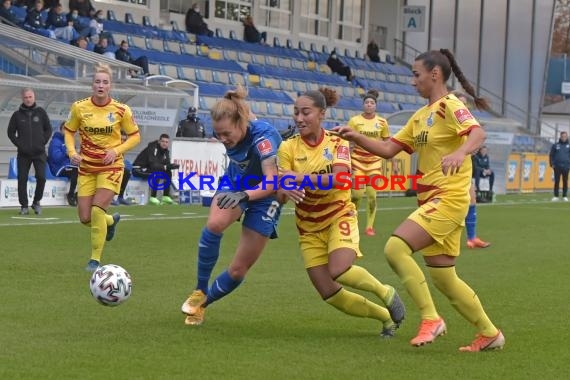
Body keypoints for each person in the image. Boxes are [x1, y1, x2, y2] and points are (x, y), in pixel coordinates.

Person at [333, 49, 505, 352]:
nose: (413, 81)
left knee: (395, 248)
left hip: (448, 198)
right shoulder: (420, 116)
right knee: (444, 278)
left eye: (416, 74)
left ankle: (430, 318)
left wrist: (461, 152)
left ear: (434, 74)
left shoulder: (450, 105)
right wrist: (356, 137)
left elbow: (477, 134)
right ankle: (490, 333)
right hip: (431, 201)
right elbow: (388, 148)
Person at [276, 88, 405, 337]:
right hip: (308, 227)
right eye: (296, 113)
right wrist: (282, 188)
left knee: (339, 269)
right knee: (328, 292)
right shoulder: (287, 148)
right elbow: (282, 195)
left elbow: (342, 180)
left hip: (338, 215)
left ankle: (385, 291)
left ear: (322, 114)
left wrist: (299, 178)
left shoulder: (337, 141)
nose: (299, 118)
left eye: (306, 112)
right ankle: (386, 318)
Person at [180, 86, 283, 326]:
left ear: (241, 123)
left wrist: (245, 196)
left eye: (226, 134)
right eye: (218, 135)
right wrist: (240, 193)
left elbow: (272, 182)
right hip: (237, 181)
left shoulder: (264, 140)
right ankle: (200, 290)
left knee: (238, 270)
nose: (223, 140)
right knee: (215, 223)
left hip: (266, 194)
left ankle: (203, 306)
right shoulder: (237, 122)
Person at [64, 63, 141, 272]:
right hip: (87, 167)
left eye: (105, 82)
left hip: (112, 166)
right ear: (92, 85)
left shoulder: (121, 110)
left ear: (110, 86)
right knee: (85, 218)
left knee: (97, 209)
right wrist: (72, 153)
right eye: (97, 81)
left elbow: (135, 136)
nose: (101, 85)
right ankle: (110, 222)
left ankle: (94, 260)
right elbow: (69, 131)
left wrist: (116, 151)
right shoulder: (79, 107)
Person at [347, 89, 393, 237]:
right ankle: (352, 222)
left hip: (374, 162)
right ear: (363, 105)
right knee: (357, 195)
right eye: (366, 102)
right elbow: (348, 139)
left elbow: (387, 141)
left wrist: (390, 155)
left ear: (375, 106)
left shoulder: (382, 122)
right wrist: (347, 152)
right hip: (357, 161)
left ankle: (369, 227)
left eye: (372, 103)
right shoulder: (354, 121)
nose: (369, 105)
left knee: (372, 196)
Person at [453, 92, 490, 249]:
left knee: (472, 199)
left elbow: (476, 142)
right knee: (451, 204)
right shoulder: (449, 121)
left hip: (465, 167)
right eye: (459, 102)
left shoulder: (468, 122)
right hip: (450, 167)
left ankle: (471, 238)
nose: (463, 106)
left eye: (465, 103)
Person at [7, 88, 52, 215]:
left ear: (34, 97)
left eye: (30, 97)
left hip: (39, 153)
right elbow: (10, 132)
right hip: (23, 154)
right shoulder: (16, 115)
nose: (28, 99)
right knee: (22, 179)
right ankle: (24, 206)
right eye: (26, 97)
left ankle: (36, 202)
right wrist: (19, 144)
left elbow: (48, 129)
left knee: (42, 178)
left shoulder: (41, 112)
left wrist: (42, 141)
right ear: (22, 98)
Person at [132, 134, 178, 205]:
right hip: (139, 169)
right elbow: (153, 164)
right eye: (163, 141)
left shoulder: (166, 151)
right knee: (157, 172)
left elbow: (166, 165)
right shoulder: (153, 148)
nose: (164, 144)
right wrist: (166, 166)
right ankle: (152, 197)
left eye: (166, 142)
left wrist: (171, 166)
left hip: (148, 168)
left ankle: (165, 196)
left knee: (168, 172)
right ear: (159, 141)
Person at [48, 122, 78, 206]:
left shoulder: (70, 141)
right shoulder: (55, 141)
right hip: (58, 168)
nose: (68, 131)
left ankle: (78, 194)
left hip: (69, 166)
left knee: (83, 171)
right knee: (75, 171)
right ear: (61, 129)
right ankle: (71, 194)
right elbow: (55, 158)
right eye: (66, 129)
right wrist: (66, 153)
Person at [111, 133, 132, 206]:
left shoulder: (123, 149)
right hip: (106, 168)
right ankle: (110, 197)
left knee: (127, 172)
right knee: (116, 172)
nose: (122, 141)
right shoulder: (112, 147)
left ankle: (120, 196)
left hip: (116, 167)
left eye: (124, 140)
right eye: (121, 139)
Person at [549, 131, 570, 201]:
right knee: (557, 181)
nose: (564, 138)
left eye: (565, 136)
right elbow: (551, 155)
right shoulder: (555, 145)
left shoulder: (569, 145)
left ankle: (564, 196)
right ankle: (556, 196)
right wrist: (552, 164)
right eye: (562, 136)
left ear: (567, 137)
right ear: (560, 137)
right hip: (557, 166)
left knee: (565, 181)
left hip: (566, 166)